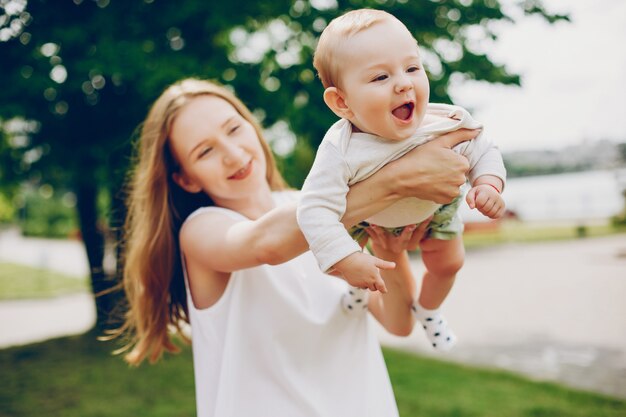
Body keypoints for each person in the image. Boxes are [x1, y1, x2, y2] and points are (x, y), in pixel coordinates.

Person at [115, 78, 478, 417]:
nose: (231, 153)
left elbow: (397, 322)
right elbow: (267, 244)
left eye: (234, 129)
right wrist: (398, 178)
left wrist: (390, 249)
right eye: (205, 151)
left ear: (253, 128)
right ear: (185, 179)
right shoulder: (200, 231)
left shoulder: (310, 202)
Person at [297, 9, 506, 352]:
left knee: (450, 262)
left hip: (433, 212)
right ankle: (356, 288)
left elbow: (482, 146)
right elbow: (314, 208)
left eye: (412, 68)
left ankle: (430, 310)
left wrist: (488, 183)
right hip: (369, 222)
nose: (404, 82)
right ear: (342, 101)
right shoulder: (341, 147)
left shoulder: (443, 120)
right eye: (380, 77)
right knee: (345, 260)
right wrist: (347, 258)